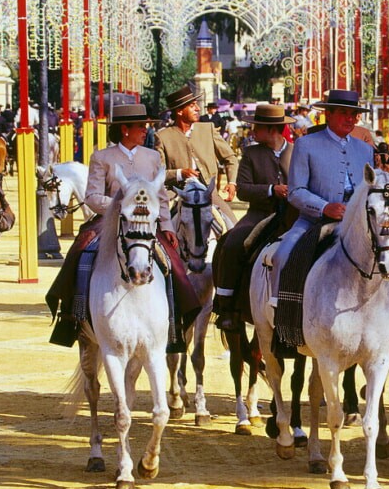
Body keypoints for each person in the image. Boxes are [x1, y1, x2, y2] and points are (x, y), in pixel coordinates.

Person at [45, 104, 200, 348]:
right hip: (108, 222)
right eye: (141, 126)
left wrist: (168, 226)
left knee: (173, 263)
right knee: (80, 253)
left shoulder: (151, 157)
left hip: (146, 223)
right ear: (125, 129)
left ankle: (177, 320)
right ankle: (71, 316)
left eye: (146, 126)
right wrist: (121, 206)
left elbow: (160, 197)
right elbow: (93, 197)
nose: (145, 131)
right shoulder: (102, 157)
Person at [268, 89, 373, 307]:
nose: (350, 118)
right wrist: (324, 207)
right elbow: (296, 191)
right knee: (283, 255)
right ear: (328, 114)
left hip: (358, 223)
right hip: (312, 221)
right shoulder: (307, 144)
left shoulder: (365, 149)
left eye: (354, 114)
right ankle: (281, 315)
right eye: (344, 113)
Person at [212, 104, 294, 331]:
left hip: (293, 215)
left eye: (256, 127)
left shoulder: (297, 152)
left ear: (272, 130)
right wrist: (271, 190)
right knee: (233, 243)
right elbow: (244, 189)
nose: (252, 131)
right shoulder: (251, 153)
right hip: (259, 213)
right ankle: (226, 306)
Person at [154, 85, 239, 218]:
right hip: (176, 194)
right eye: (192, 106)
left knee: (233, 227)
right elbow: (157, 174)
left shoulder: (208, 129)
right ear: (180, 111)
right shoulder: (162, 136)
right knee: (157, 225)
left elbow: (230, 158)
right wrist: (179, 173)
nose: (198, 109)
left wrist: (232, 182)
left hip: (208, 194)